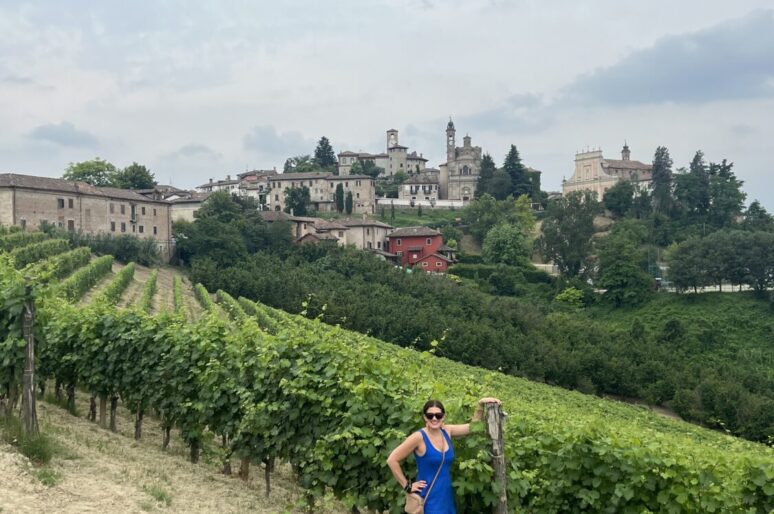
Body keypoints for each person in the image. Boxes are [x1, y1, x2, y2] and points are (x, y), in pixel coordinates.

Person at [386, 397, 501, 514]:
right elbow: (392, 460)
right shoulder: (418, 437)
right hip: (428, 498)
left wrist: (480, 405)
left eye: (438, 415)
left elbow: (472, 427)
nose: (434, 418)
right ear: (425, 417)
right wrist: (407, 486)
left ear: (443, 416)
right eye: (430, 415)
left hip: (445, 496)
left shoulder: (447, 431)